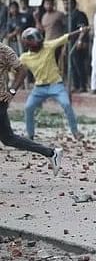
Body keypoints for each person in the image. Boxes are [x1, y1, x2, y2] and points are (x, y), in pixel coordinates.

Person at [0, 41, 63, 176]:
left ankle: (52, 153)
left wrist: (11, 91)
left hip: (0, 100)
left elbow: (22, 71)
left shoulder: (4, 51)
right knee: (8, 139)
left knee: (9, 138)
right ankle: (51, 153)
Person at [20, 27, 86, 141]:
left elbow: (65, 38)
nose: (41, 44)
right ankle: (30, 135)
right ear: (28, 45)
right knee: (28, 107)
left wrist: (80, 31)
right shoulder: (24, 58)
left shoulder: (48, 46)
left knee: (66, 105)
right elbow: (15, 68)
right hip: (39, 88)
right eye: (37, 43)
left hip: (56, 85)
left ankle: (75, 132)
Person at [62, 0, 90, 92]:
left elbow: (83, 29)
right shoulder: (67, 17)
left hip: (77, 42)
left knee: (79, 64)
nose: (66, 6)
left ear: (73, 4)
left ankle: (83, 85)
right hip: (69, 43)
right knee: (72, 65)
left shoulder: (79, 15)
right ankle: (76, 85)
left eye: (68, 4)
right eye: (65, 4)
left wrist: (80, 41)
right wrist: (65, 46)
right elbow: (66, 33)